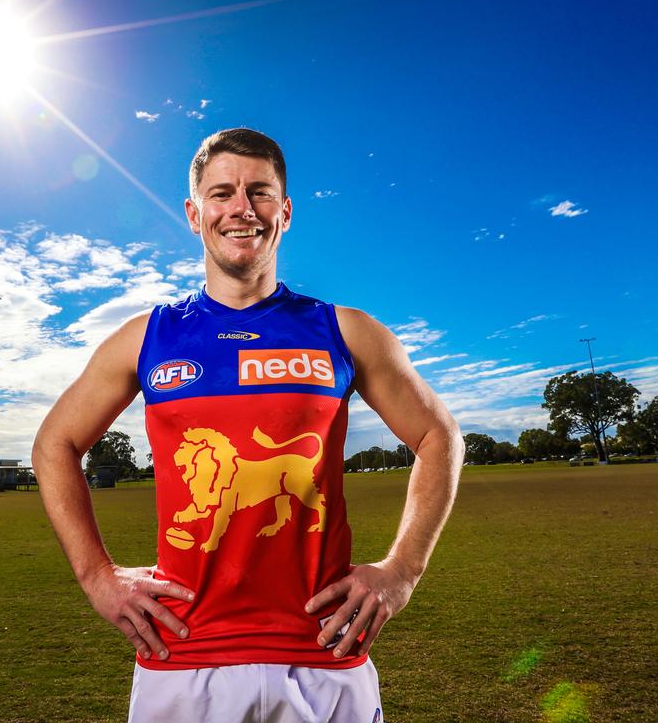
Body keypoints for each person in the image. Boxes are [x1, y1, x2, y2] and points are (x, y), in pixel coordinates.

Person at [32, 128, 463, 722]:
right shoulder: (145, 339)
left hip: (324, 657)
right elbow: (55, 443)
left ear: (284, 211)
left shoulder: (347, 330)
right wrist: (98, 577)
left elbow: (439, 436)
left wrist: (402, 571)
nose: (241, 208)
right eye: (221, 193)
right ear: (194, 213)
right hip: (183, 659)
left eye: (259, 192)